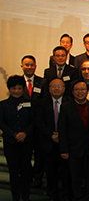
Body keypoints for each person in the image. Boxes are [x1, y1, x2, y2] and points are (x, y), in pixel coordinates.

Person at [59, 80, 89, 200]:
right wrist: (63, 149)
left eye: (83, 89)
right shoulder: (65, 107)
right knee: (75, 178)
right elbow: (62, 129)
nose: (80, 92)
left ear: (87, 91)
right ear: (72, 92)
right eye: (77, 90)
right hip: (73, 149)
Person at [35, 78, 71, 201]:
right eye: (53, 86)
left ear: (64, 89)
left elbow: (72, 123)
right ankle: (52, 195)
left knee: (66, 172)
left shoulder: (70, 102)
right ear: (49, 89)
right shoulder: (41, 103)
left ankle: (65, 195)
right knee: (50, 172)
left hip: (65, 143)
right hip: (48, 143)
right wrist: (51, 134)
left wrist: (61, 135)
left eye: (59, 86)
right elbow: (39, 122)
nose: (56, 88)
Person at [0, 75, 34, 201]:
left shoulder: (30, 103)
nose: (17, 91)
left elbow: (33, 121)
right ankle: (15, 197)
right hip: (10, 143)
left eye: (19, 88)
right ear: (9, 89)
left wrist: (25, 133)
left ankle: (25, 196)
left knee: (26, 171)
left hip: (26, 142)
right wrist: (14, 134)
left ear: (23, 89)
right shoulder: (3, 105)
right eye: (14, 88)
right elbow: (2, 123)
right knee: (14, 172)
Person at [20, 55, 45, 187]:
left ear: (35, 66)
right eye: (26, 64)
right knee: (25, 154)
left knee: (40, 154)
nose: (29, 67)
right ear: (22, 66)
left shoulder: (42, 82)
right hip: (23, 126)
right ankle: (27, 176)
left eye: (32, 65)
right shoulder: (17, 82)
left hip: (39, 126)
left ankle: (38, 177)